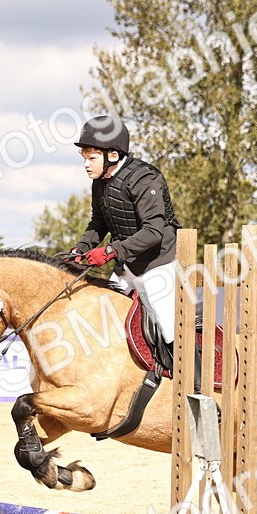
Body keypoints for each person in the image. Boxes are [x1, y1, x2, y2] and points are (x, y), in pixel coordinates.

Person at [68, 115, 181, 359]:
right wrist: (80, 249)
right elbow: (98, 223)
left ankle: (191, 375)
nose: (86, 164)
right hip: (126, 266)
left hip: (157, 263)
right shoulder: (101, 182)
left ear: (113, 155)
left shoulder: (144, 178)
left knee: (168, 329)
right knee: (102, 319)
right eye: (84, 158)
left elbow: (153, 231)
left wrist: (110, 251)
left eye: (91, 158)